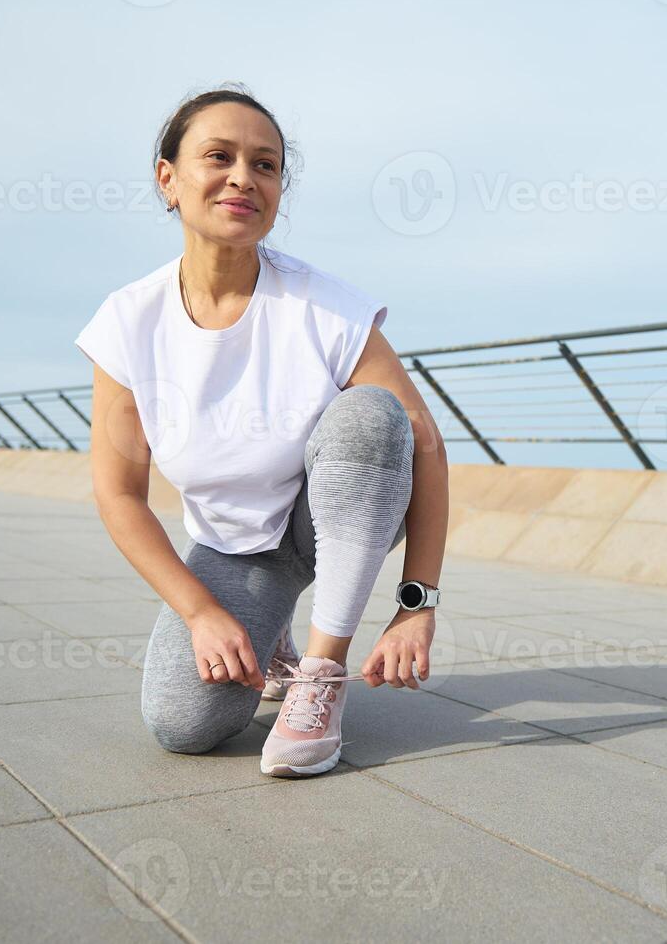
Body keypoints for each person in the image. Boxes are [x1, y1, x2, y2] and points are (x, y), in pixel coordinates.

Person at [73, 84, 449, 778]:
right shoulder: (127, 323)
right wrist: (201, 612)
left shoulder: (327, 307)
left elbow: (424, 445)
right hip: (237, 550)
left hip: (332, 518)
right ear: (169, 180)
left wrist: (414, 605)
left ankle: (320, 676)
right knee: (182, 725)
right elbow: (118, 494)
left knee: (372, 414)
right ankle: (269, 631)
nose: (243, 177)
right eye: (218, 156)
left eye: (266, 165)